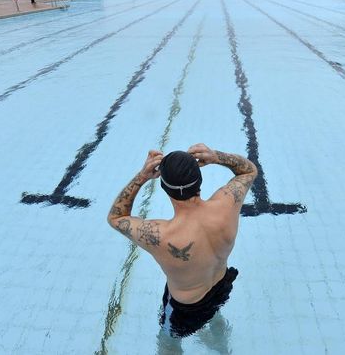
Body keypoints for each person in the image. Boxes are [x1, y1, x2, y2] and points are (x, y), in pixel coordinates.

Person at [107, 143, 257, 338]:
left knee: (168, 341)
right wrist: (216, 156)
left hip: (186, 310)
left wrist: (142, 176)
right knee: (215, 314)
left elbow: (115, 218)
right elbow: (249, 171)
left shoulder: (160, 236)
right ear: (199, 179)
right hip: (222, 285)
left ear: (164, 187)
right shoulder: (227, 203)